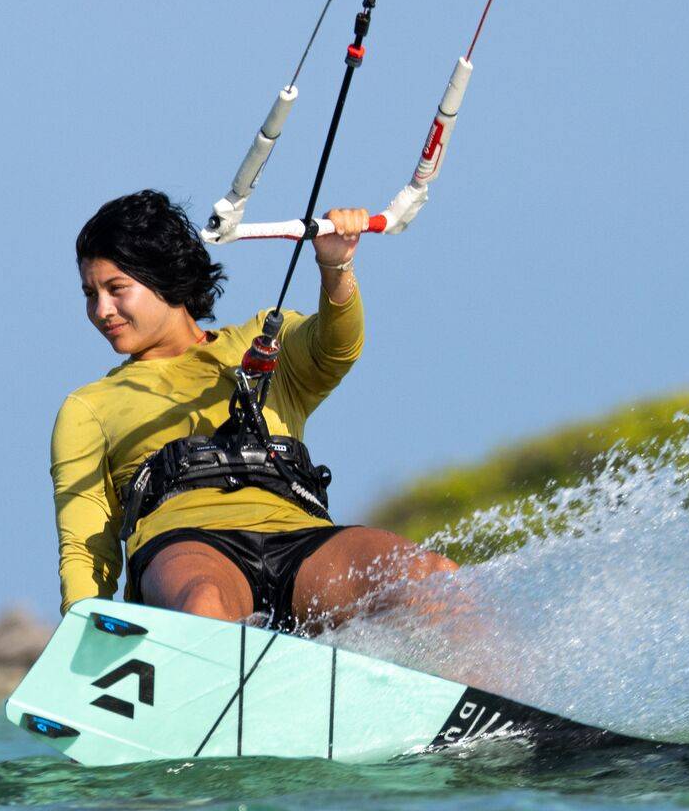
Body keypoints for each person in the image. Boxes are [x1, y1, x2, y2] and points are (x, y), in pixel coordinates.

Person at [50, 190, 458, 632]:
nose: (100, 310)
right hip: (188, 548)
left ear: (163, 278)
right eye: (90, 294)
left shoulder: (261, 341)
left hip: (301, 542)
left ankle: (488, 697)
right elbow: (86, 548)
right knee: (205, 602)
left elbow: (337, 347)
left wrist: (336, 266)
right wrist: (83, 637)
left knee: (432, 578)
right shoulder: (88, 407)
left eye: (116, 289)